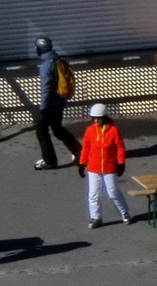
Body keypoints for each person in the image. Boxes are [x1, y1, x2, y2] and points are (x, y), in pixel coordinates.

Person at [32, 37, 82, 170]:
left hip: (50, 104)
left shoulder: (46, 65)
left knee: (41, 131)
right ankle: (79, 152)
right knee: (58, 129)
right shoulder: (58, 59)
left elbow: (46, 89)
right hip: (60, 101)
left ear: (39, 49)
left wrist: (42, 108)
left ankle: (49, 160)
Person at [78, 103, 130, 228]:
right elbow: (86, 148)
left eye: (99, 118)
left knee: (113, 193)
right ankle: (96, 217)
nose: (96, 120)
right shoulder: (90, 131)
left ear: (104, 117)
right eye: (94, 118)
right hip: (93, 168)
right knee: (93, 194)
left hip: (109, 167)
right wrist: (81, 163)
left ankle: (124, 212)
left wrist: (121, 162)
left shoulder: (113, 130)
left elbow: (120, 147)